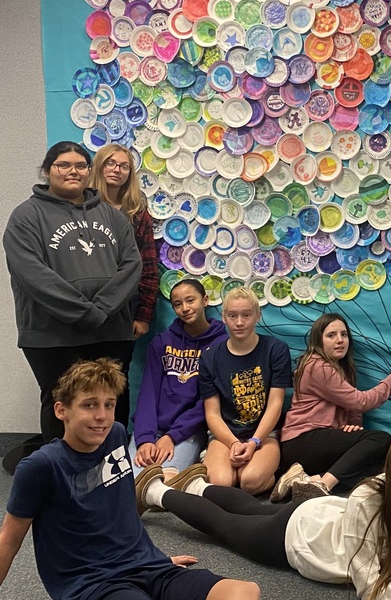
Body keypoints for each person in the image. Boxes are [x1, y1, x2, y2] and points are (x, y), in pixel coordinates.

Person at [0, 358, 259, 600]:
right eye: (89, 405)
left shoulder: (115, 434)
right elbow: (8, 541)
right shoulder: (40, 467)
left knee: (243, 593)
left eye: (109, 405)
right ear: (61, 410)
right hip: (96, 586)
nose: (101, 416)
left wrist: (150, 554)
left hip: (145, 565)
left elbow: (121, 505)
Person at [136, 426, 391, 600]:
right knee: (227, 527)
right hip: (301, 539)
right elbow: (368, 585)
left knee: (252, 509)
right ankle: (155, 491)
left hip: (323, 515)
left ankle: (198, 486)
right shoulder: (369, 498)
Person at [2, 141, 141, 455]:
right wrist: (85, 312)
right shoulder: (26, 217)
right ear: (47, 171)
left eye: (80, 165)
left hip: (110, 330)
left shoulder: (111, 215)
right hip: (51, 335)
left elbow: (132, 266)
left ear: (89, 172)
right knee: (61, 405)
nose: (72, 171)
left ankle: (111, 475)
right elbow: (33, 275)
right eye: (63, 165)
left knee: (111, 403)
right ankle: (59, 484)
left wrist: (102, 309)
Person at [273, 313, 391, 501]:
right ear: (318, 340)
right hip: (302, 440)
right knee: (380, 439)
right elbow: (361, 401)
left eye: (344, 335)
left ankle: (303, 479)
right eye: (331, 335)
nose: (340, 340)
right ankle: (322, 484)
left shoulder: (339, 367)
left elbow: (352, 406)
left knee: (379, 463)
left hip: (320, 441)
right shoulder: (317, 366)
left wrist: (352, 424)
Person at [129, 278, 226, 477]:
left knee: (166, 480)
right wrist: (145, 439)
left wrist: (172, 437)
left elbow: (209, 402)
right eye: (177, 304)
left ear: (205, 300)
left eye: (191, 300)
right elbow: (148, 392)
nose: (185, 308)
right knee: (132, 481)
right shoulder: (161, 343)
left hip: (187, 432)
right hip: (152, 429)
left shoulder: (222, 345)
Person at [199, 286, 291, 495]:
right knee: (222, 484)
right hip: (225, 435)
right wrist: (232, 442)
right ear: (224, 317)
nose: (239, 322)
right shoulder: (209, 357)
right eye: (233, 315)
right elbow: (212, 413)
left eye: (246, 315)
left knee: (248, 481)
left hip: (265, 434)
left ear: (258, 315)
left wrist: (254, 442)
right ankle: (214, 461)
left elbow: (275, 404)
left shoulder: (276, 349)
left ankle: (275, 475)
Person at [87, 143, 159, 343]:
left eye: (124, 166)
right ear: (99, 166)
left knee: (118, 369)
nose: (117, 169)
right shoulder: (80, 208)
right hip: (86, 300)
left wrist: (143, 315)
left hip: (127, 303)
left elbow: (149, 267)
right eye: (110, 163)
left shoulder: (136, 212)